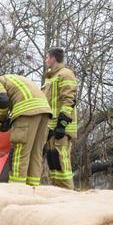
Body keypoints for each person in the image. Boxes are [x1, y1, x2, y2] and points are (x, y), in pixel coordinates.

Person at [0, 74, 52, 186]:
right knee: (36, 154)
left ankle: (16, 189)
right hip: (45, 112)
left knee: (20, 153)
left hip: (27, 112)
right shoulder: (14, 80)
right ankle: (32, 189)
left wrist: (1, 120)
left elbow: (3, 100)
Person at [42, 47, 78, 189]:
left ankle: (68, 194)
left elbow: (69, 100)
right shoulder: (51, 78)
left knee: (62, 161)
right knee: (53, 160)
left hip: (61, 127)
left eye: (47, 58)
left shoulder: (66, 74)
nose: (45, 61)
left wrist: (61, 125)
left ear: (53, 58)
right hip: (51, 127)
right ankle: (57, 193)